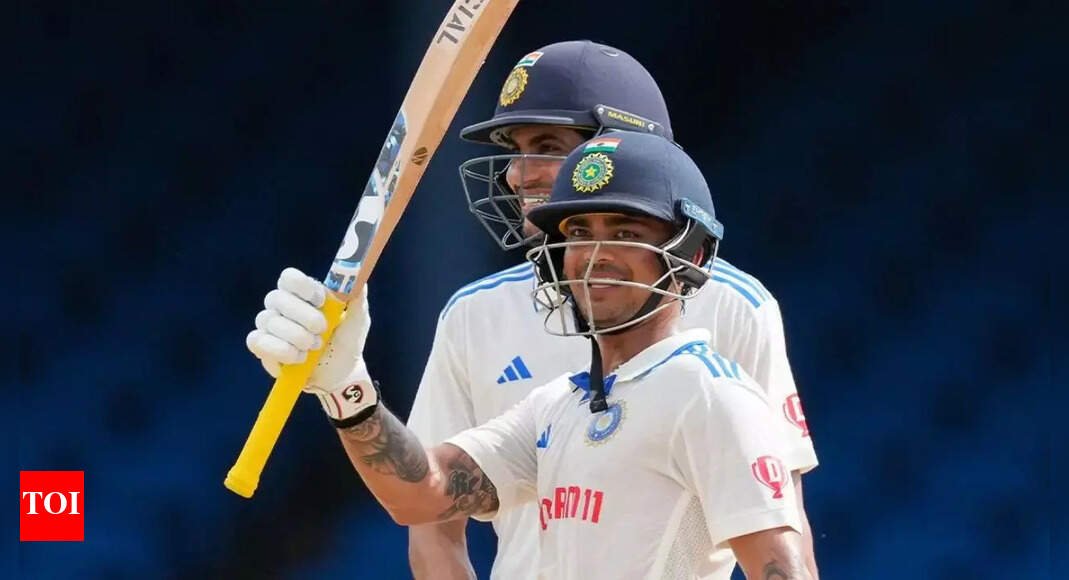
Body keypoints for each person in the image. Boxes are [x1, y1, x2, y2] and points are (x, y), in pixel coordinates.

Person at [248, 40, 819, 579]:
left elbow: (779, 529)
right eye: (578, 232)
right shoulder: (554, 400)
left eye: (547, 147)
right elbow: (426, 500)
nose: (518, 175)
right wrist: (346, 387)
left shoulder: (720, 360)